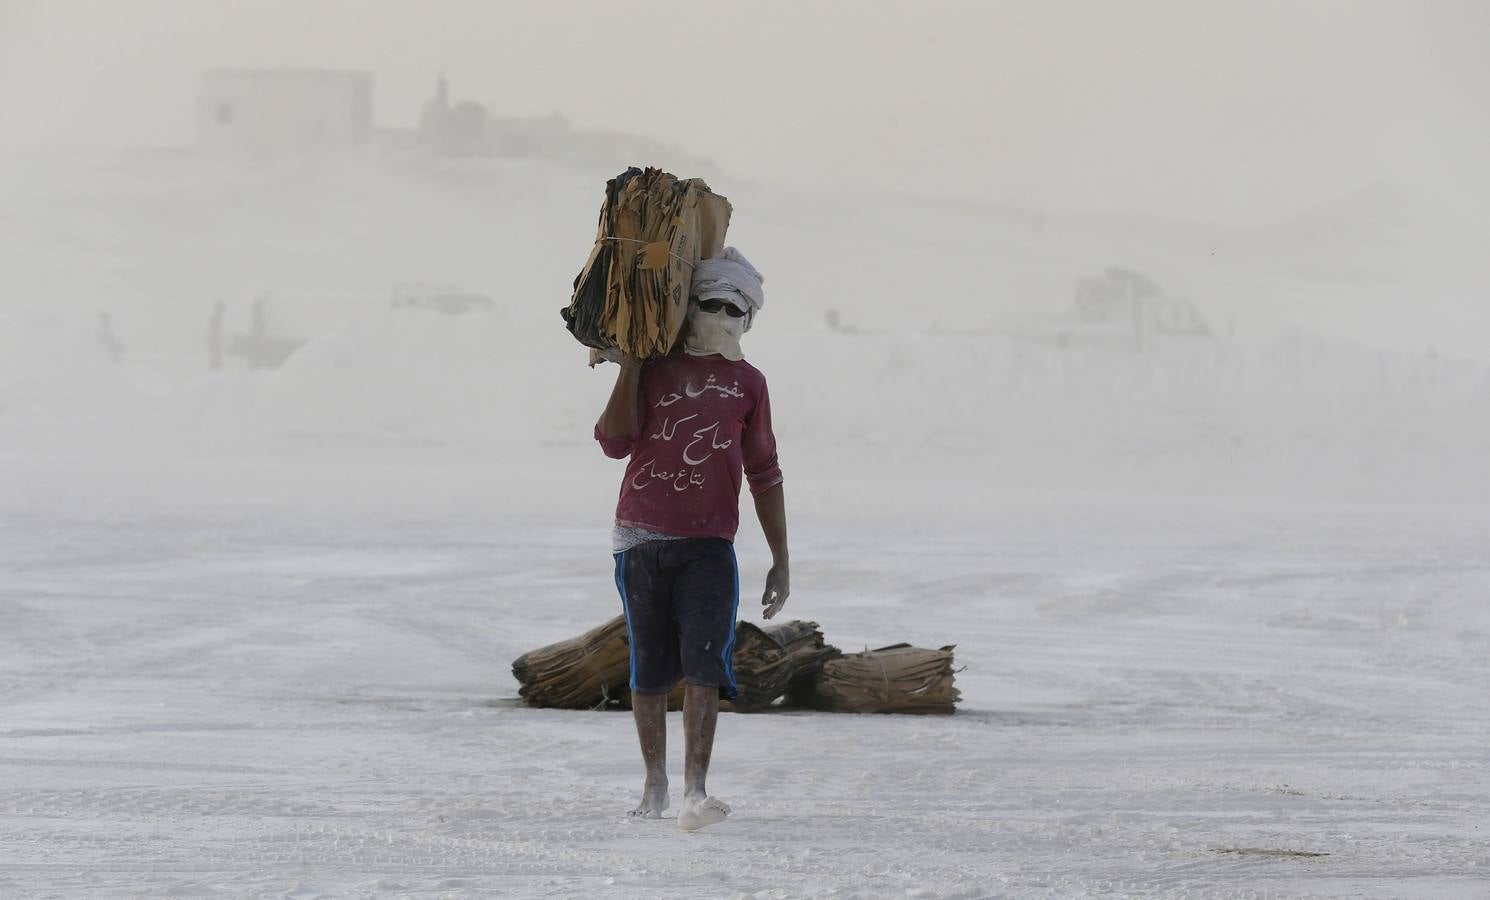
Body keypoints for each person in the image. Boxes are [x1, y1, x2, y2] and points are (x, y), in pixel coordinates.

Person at [594, 247, 789, 832]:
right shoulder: (653, 368)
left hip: (710, 545)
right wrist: (629, 365)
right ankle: (654, 784)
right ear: (689, 304)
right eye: (711, 303)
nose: (722, 316)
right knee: (649, 666)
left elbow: (766, 472)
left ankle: (695, 791)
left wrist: (781, 558)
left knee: (706, 664)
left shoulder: (749, 384)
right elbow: (612, 441)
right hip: (640, 538)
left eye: (736, 308)